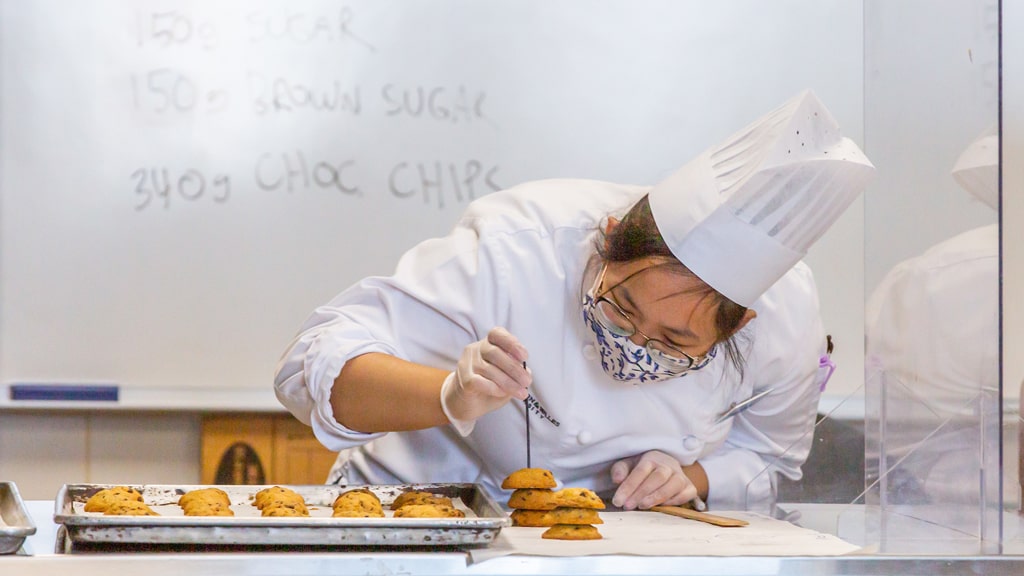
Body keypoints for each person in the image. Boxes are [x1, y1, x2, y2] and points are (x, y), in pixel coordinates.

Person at [274, 90, 875, 512]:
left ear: (738, 326)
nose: (635, 347)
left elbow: (770, 460)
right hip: (429, 515)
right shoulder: (519, 249)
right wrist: (447, 395)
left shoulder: (784, 316)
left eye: (673, 343)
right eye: (622, 308)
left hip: (618, 542)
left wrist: (689, 477)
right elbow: (310, 364)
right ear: (607, 240)